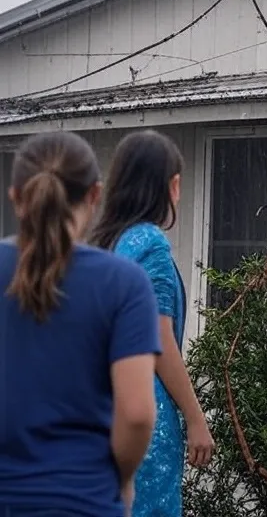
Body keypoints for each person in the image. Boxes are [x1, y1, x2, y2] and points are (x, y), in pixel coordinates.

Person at [0, 131, 160, 516]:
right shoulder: (124, 284)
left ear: (16, 197)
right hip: (84, 502)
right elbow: (137, 414)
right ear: (94, 196)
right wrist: (120, 480)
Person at [91, 130, 215, 517]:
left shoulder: (109, 245)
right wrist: (195, 418)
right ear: (172, 185)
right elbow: (157, 338)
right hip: (146, 418)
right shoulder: (151, 244)